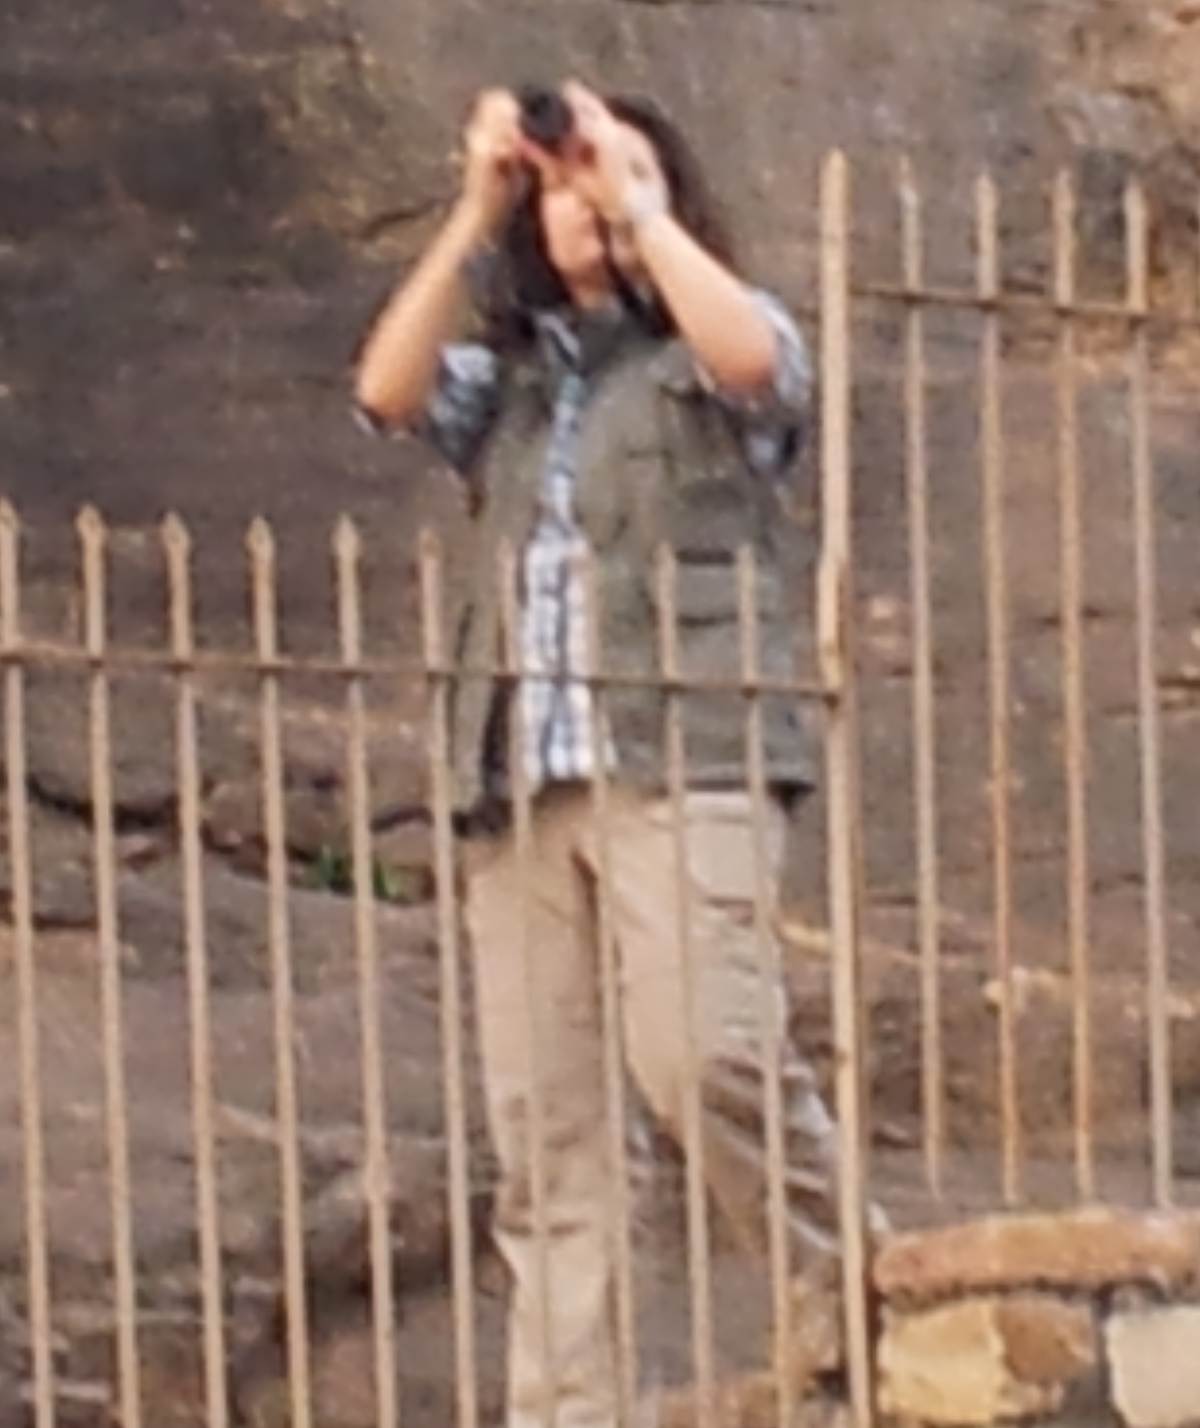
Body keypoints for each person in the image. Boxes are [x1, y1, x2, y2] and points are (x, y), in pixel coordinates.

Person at [353, 80, 862, 1428]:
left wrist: (638, 210)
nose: (588, 193)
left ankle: (860, 1310)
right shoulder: (514, 385)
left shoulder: (712, 347)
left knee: (707, 1052)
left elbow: (756, 365)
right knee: (551, 1130)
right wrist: (477, 204)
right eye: (567, 179)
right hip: (519, 776)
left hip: (686, 750)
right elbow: (385, 388)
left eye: (624, 168)